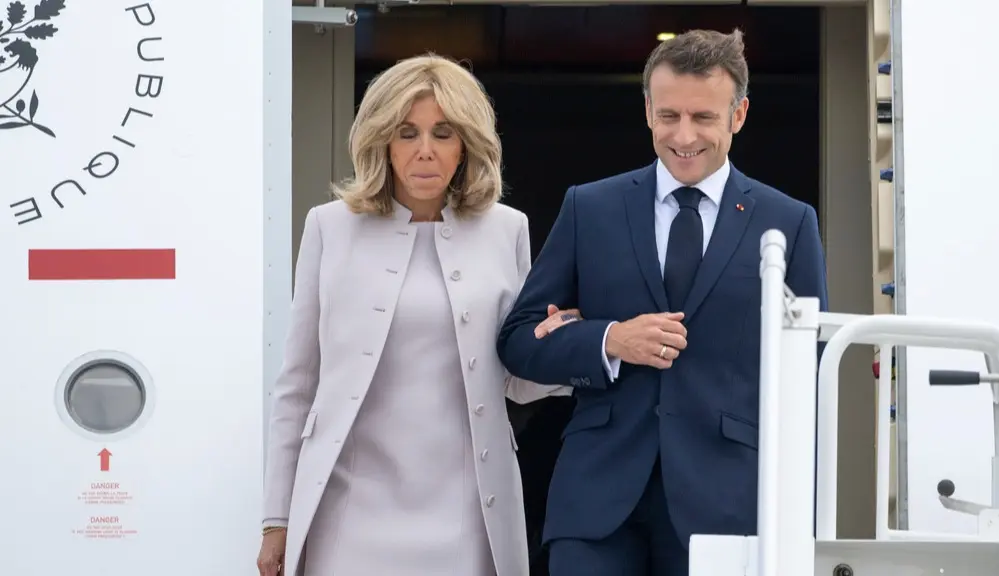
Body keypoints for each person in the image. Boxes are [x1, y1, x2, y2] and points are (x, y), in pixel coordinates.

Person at [496, 29, 828, 576]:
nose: (684, 135)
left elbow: (806, 374)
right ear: (647, 110)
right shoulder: (590, 207)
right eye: (669, 115)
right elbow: (518, 340)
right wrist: (610, 340)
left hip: (729, 505)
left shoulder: (788, 222)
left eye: (703, 118)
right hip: (597, 503)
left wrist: (796, 520)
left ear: (738, 115)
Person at [256, 53, 572, 576]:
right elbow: (298, 383)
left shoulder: (507, 229)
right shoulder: (328, 227)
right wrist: (275, 519)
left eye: (443, 133)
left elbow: (516, 380)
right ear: (381, 139)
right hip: (348, 509)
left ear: (467, 143)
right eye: (407, 133)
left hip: (469, 509)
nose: (425, 151)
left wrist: (564, 348)